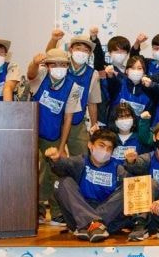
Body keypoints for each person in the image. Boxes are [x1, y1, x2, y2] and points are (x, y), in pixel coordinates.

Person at [27, 48, 83, 224]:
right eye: (55, 64)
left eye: (63, 64)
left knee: (53, 170)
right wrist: (34, 63)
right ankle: (34, 210)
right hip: (31, 132)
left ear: (68, 66)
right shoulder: (42, 75)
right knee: (30, 170)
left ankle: (56, 212)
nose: (59, 68)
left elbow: (68, 118)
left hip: (52, 135)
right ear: (48, 66)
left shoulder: (73, 87)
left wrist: (61, 146)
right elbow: (30, 75)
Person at [46, 128, 130, 242]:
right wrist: (56, 159)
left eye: (109, 148)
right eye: (101, 145)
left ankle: (92, 224)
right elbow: (62, 166)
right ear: (90, 145)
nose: (105, 150)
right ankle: (91, 224)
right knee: (62, 183)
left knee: (129, 188)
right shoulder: (80, 162)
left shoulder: (118, 168)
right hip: (78, 217)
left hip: (107, 220)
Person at [46, 30, 103, 159]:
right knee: (52, 159)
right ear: (70, 49)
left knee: (83, 158)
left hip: (76, 122)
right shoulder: (61, 65)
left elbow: (92, 103)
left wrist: (94, 127)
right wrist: (54, 40)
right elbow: (49, 56)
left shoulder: (92, 74)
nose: (81, 52)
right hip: (54, 120)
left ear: (90, 54)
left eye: (86, 50)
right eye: (78, 48)